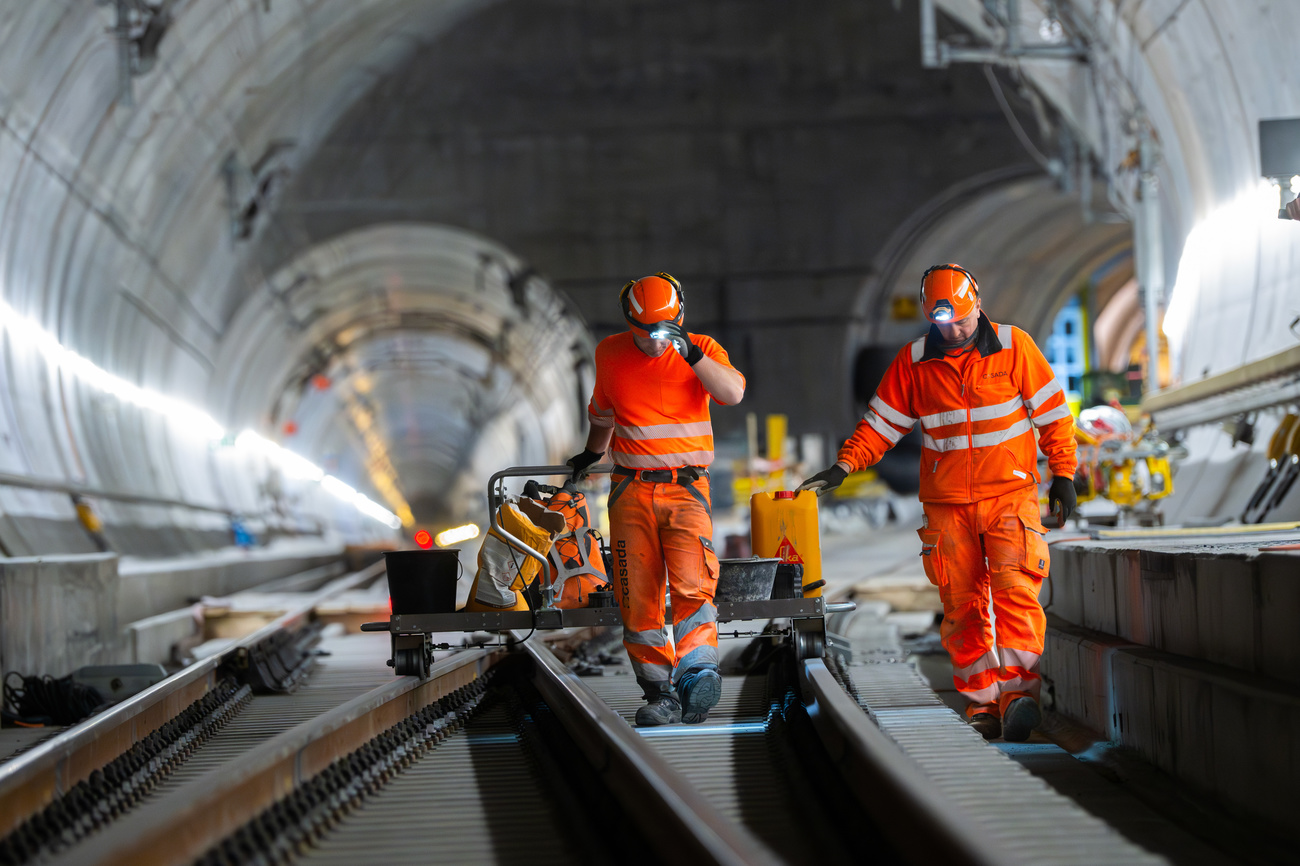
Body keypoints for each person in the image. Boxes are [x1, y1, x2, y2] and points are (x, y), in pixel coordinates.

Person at [800, 264, 1077, 743]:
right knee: (962, 606)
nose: (954, 331)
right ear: (931, 318)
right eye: (943, 324)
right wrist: (844, 466)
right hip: (948, 507)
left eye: (962, 322)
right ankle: (983, 704)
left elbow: (1054, 416)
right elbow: (881, 425)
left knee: (1016, 593)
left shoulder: (1015, 347)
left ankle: (1019, 696)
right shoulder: (913, 362)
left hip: (1010, 498)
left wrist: (1064, 475)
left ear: (978, 306)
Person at [568, 273, 745, 726]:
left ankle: (698, 673)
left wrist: (693, 354)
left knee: (692, 585)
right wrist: (591, 453)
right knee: (638, 597)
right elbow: (603, 414)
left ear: (680, 319)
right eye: (642, 332)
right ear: (629, 323)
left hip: (686, 489)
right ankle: (659, 692)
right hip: (630, 490)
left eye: (660, 331)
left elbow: (732, 392)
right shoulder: (610, 352)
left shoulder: (702, 348)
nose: (651, 342)